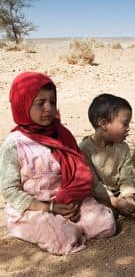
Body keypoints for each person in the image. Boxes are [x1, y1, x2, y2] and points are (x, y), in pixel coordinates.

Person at [0, 72, 116, 255]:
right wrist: (49, 208)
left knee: (104, 224)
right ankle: (63, 228)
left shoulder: (62, 134)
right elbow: (10, 190)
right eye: (40, 103)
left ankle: (71, 223)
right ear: (23, 104)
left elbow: (80, 172)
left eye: (52, 102)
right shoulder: (14, 144)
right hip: (33, 209)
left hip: (68, 203)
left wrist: (75, 202)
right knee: (64, 238)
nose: (48, 108)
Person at [79, 93, 135, 219]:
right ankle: (117, 209)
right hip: (100, 194)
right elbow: (93, 184)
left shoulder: (122, 147)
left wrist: (128, 198)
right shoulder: (85, 150)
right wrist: (115, 202)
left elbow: (126, 177)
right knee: (95, 207)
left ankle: (123, 209)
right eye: (125, 124)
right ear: (104, 123)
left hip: (120, 193)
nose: (128, 129)